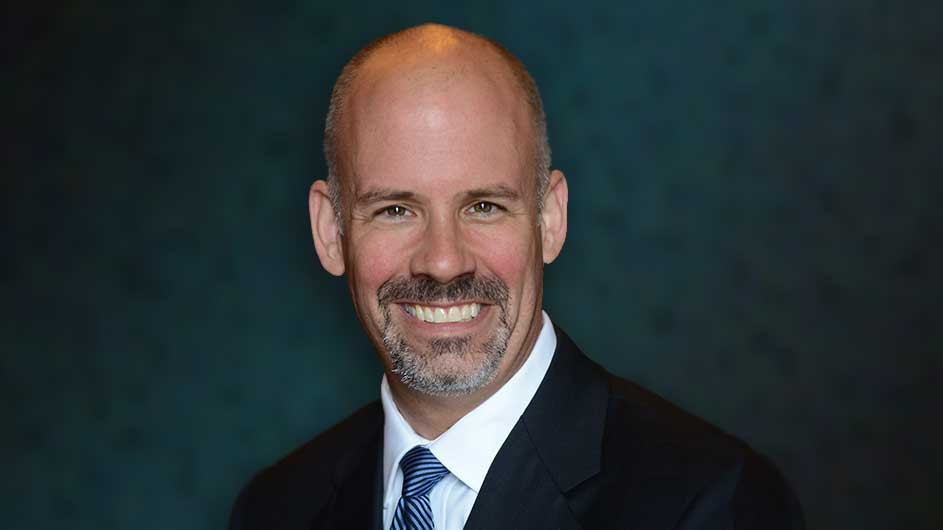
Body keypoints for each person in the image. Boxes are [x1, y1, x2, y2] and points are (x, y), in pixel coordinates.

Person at [229, 23, 804, 530]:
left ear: (550, 219)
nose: (444, 261)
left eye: (483, 206)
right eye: (396, 210)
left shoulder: (710, 503)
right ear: (331, 231)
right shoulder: (276, 508)